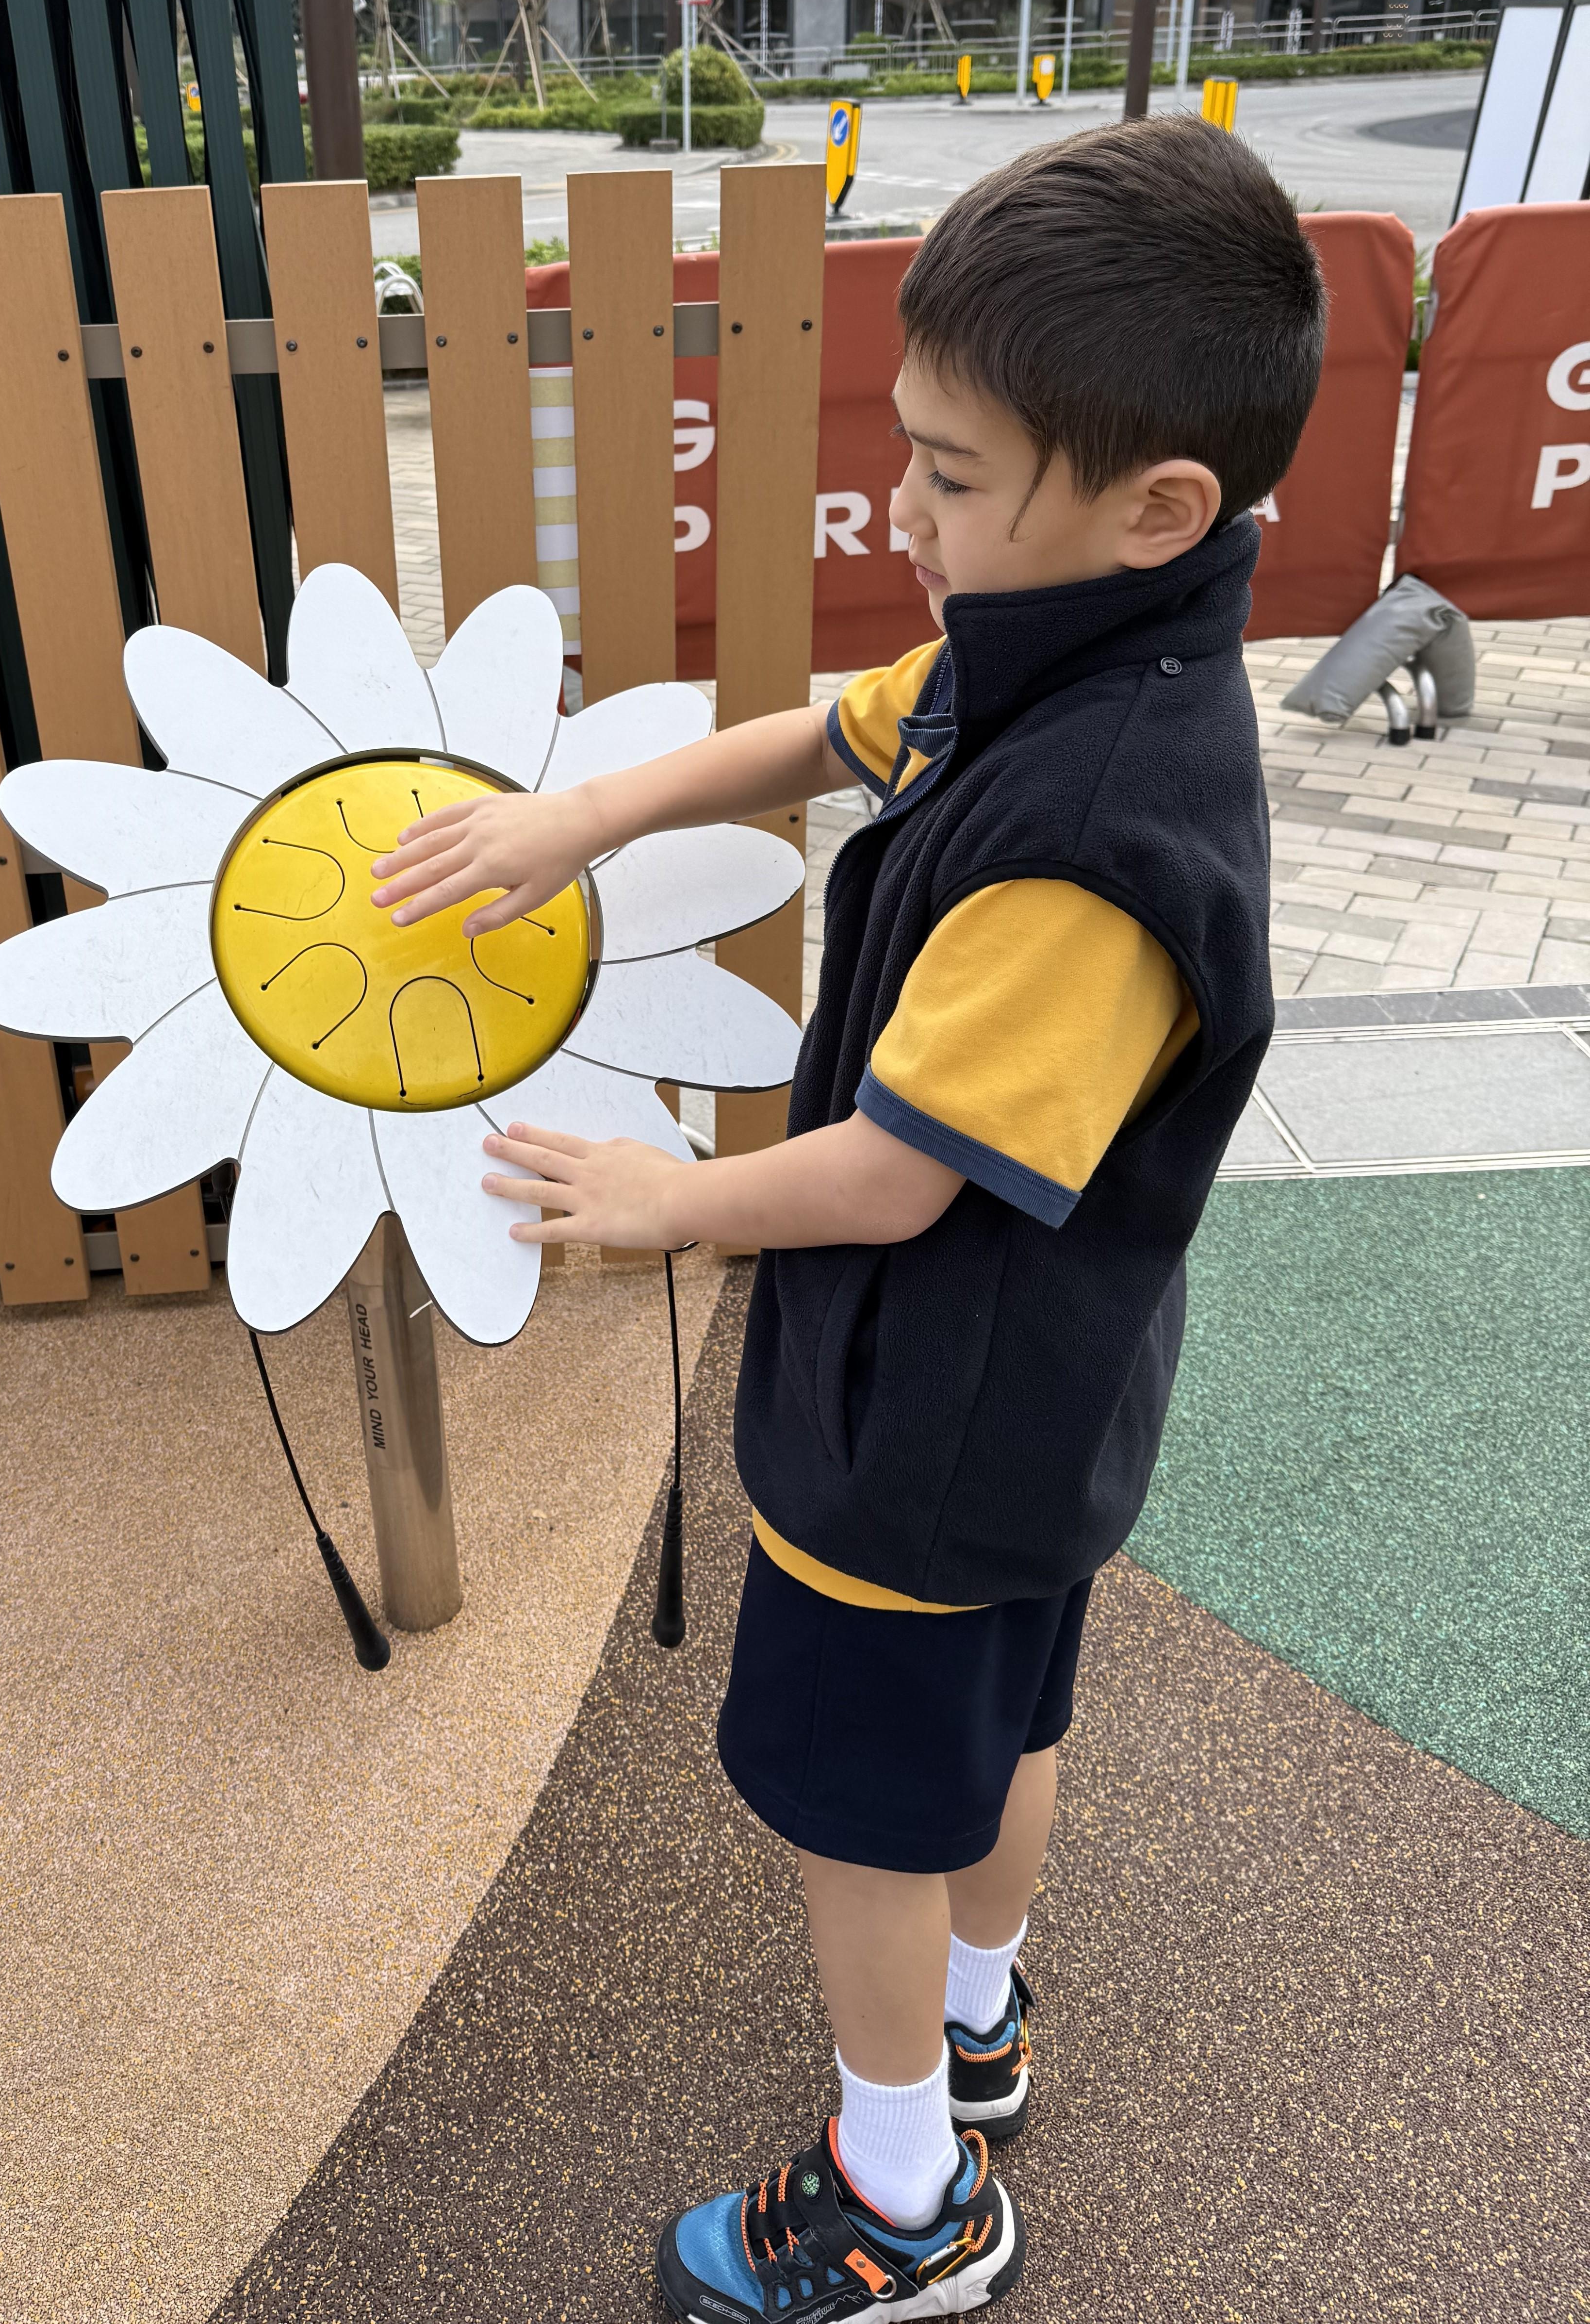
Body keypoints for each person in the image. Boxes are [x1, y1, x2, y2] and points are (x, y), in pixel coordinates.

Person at [372, 117, 1324, 2317]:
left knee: (863, 1809)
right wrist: (588, 813)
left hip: (921, 1430)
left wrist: (669, 1198)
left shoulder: (1095, 834)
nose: (902, 508)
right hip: (1047, 1397)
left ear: (1155, 504)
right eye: (907, 449)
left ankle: (905, 2200)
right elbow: (831, 733)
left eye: (953, 473)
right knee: (1000, 1726)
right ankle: (978, 2020)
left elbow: (895, 1175)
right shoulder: (1068, 647)